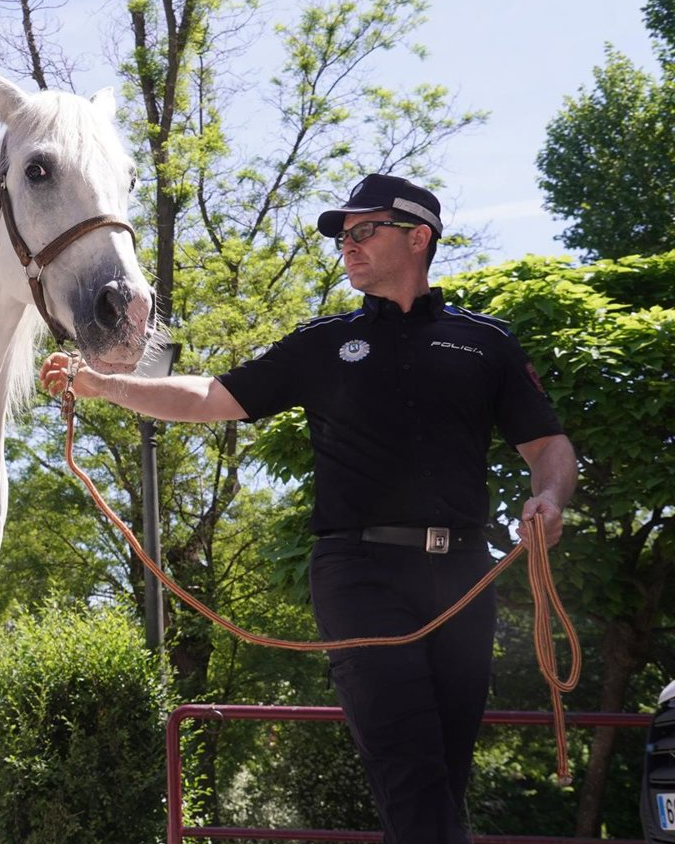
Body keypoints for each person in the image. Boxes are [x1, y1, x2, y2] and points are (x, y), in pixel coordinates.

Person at [40, 173, 577, 843]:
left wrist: (550, 499)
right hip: (360, 575)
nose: (346, 247)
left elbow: (550, 446)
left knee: (442, 774)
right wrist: (103, 384)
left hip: (466, 577)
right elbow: (212, 397)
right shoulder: (323, 344)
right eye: (341, 238)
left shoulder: (484, 343)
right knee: (410, 768)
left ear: (418, 237)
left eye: (362, 232)